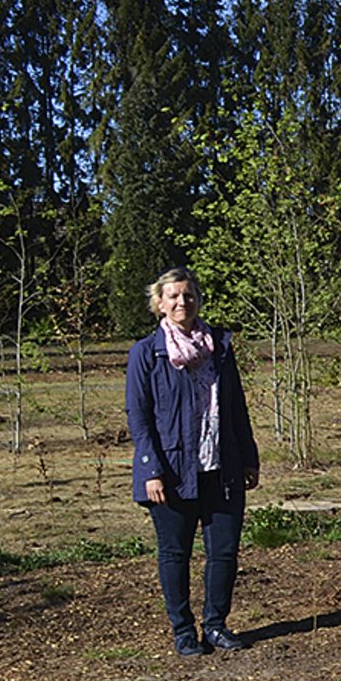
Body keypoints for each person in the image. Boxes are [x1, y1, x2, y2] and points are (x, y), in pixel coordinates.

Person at [126, 268, 260, 656]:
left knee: (224, 552)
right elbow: (139, 416)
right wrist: (151, 469)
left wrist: (248, 456)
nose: (182, 302)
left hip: (221, 467)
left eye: (188, 295)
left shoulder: (220, 347)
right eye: (173, 296)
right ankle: (183, 632)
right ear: (159, 304)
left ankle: (215, 626)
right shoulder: (146, 353)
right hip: (171, 472)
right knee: (175, 554)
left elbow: (236, 407)